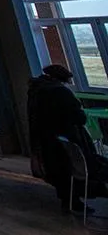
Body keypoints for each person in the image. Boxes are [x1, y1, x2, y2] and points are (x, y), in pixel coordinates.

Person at [28, 64, 108, 213]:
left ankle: (70, 201)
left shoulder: (36, 91)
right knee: (82, 167)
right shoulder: (60, 92)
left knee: (63, 172)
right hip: (69, 137)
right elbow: (79, 117)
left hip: (49, 141)